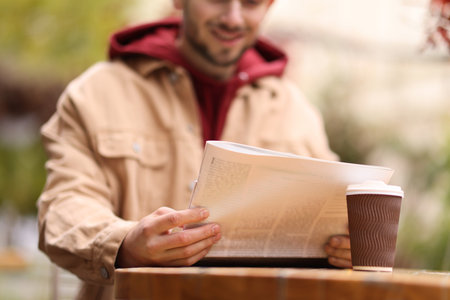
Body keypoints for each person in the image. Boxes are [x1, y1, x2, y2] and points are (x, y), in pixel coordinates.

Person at [38, 0, 351, 299]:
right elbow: (62, 208)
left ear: (269, 6)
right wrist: (124, 243)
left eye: (251, 2)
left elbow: (337, 216)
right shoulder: (95, 94)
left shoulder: (297, 111)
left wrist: (349, 244)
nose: (233, 18)